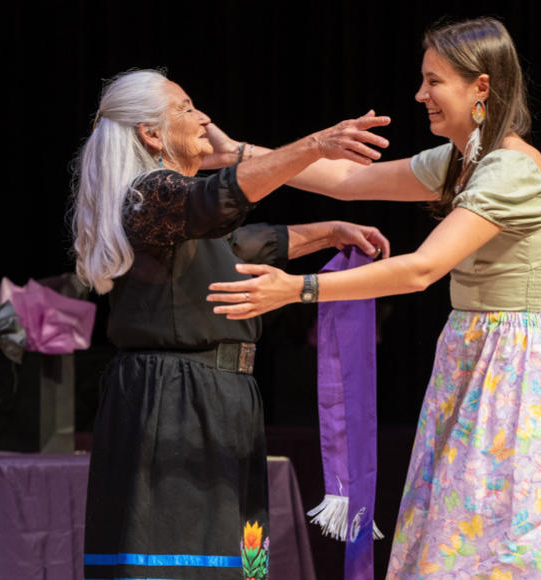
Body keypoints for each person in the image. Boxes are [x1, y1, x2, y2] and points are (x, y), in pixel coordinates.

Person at [207, 18, 541, 579]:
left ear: (481, 87)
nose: (420, 94)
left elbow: (422, 269)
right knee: (454, 530)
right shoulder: (464, 159)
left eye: (434, 81)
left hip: (513, 370)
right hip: (478, 354)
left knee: (493, 541)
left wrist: (297, 289)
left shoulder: (508, 170)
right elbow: (346, 181)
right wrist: (237, 153)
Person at [71, 69, 392, 580]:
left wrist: (330, 232)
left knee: (236, 563)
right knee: (177, 562)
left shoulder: (181, 211)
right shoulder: (147, 196)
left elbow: (247, 242)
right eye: (186, 108)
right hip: (173, 401)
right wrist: (315, 145)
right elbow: (216, 200)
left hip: (221, 395)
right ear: (151, 135)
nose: (204, 118)